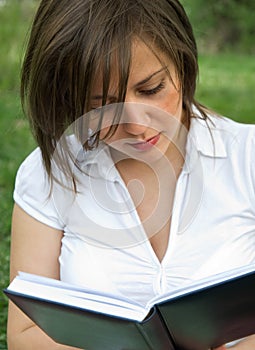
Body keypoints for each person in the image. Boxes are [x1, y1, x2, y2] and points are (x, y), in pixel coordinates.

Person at [7, 0, 255, 349]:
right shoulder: (50, 173)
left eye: (151, 90)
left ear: (183, 64)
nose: (137, 126)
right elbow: (26, 333)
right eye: (102, 104)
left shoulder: (247, 156)